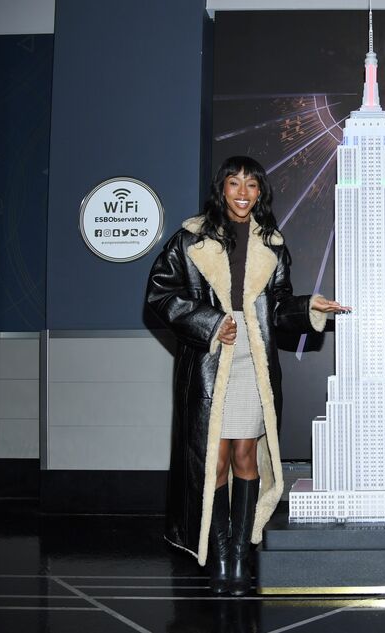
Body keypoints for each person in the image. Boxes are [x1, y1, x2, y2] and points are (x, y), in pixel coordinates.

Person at [146, 156, 349, 596]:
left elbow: (275, 306)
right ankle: (217, 551)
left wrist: (309, 307)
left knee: (244, 456)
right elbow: (159, 296)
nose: (242, 192)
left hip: (253, 361)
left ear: (261, 193)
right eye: (234, 184)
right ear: (221, 189)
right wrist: (210, 322)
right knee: (214, 459)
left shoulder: (272, 244)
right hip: (211, 358)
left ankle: (240, 552)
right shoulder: (189, 239)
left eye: (252, 185)